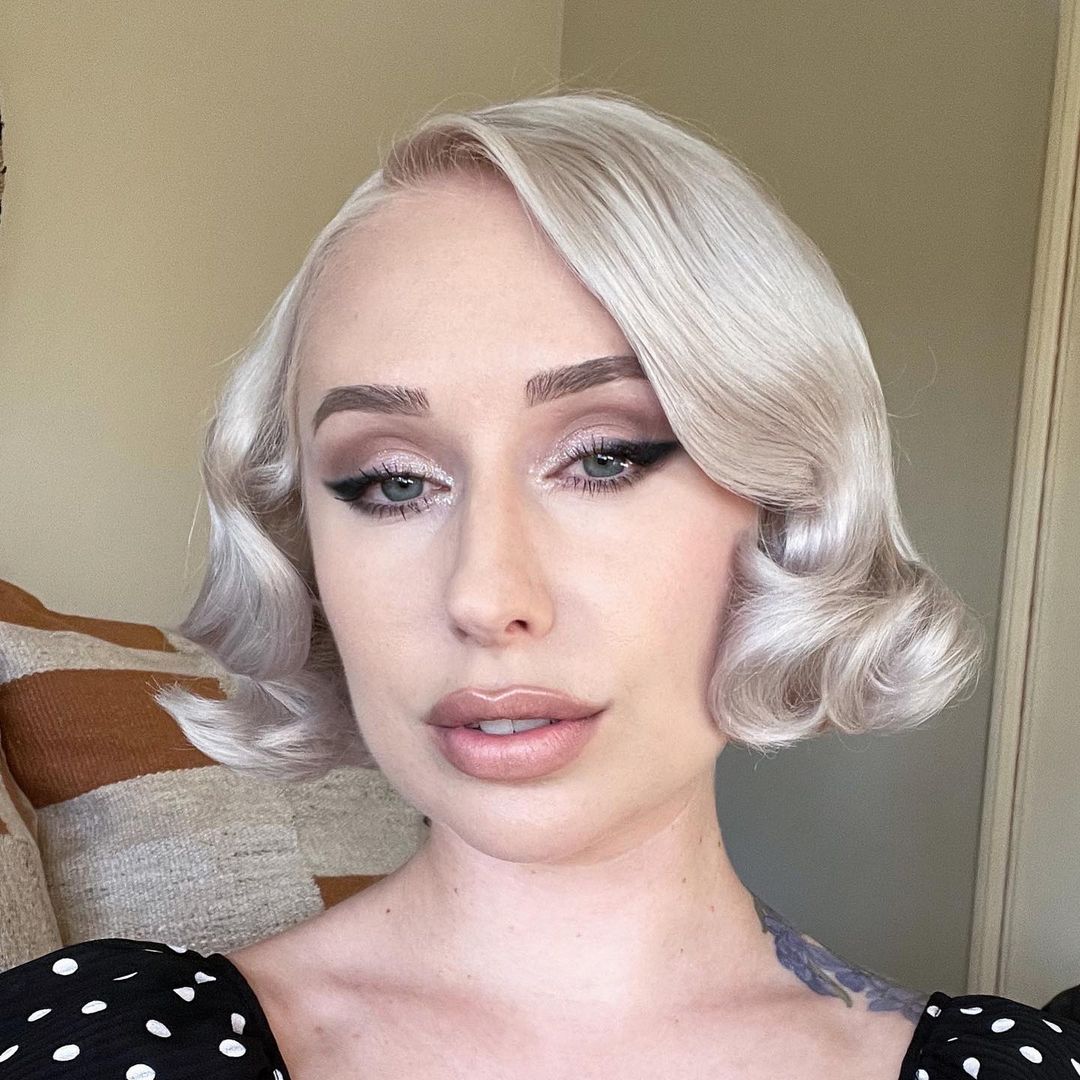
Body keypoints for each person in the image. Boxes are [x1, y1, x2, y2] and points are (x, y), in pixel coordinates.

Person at [2, 88, 1076, 1080]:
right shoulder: (85, 1047)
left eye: (604, 457)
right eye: (392, 482)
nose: (484, 594)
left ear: (782, 506)